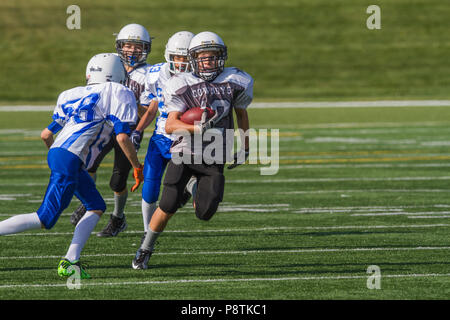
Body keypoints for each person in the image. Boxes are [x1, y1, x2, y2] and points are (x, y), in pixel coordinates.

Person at [0, 53, 144, 279]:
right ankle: (69, 261)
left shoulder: (71, 94)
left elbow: (46, 134)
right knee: (44, 219)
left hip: (63, 155)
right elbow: (123, 138)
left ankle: (70, 260)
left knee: (96, 205)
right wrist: (137, 166)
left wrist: (61, 160)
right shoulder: (118, 91)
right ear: (117, 74)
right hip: (69, 158)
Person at [132, 31, 254, 269]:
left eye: (213, 57)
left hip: (214, 153)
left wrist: (245, 147)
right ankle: (145, 249)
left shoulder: (236, 81)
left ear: (222, 57)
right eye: (203, 57)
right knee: (167, 204)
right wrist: (197, 128)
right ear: (194, 59)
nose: (208, 62)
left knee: (205, 212)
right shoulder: (180, 83)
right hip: (185, 150)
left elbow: (241, 114)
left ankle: (191, 186)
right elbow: (170, 124)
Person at [70, 24, 152, 238]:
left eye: (137, 46)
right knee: (87, 165)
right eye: (128, 46)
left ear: (146, 48)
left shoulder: (148, 75)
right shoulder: (109, 65)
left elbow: (150, 110)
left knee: (117, 180)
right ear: (119, 47)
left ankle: (118, 217)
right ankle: (88, 200)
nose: (132, 51)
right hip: (104, 127)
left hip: (128, 129)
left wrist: (130, 101)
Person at [131, 31, 196, 236]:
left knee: (191, 185)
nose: (182, 62)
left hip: (185, 139)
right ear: (169, 55)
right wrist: (138, 130)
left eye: (186, 58)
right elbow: (152, 107)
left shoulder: (199, 78)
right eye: (178, 57)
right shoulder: (155, 74)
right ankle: (146, 231)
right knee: (150, 185)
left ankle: (190, 192)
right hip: (160, 138)